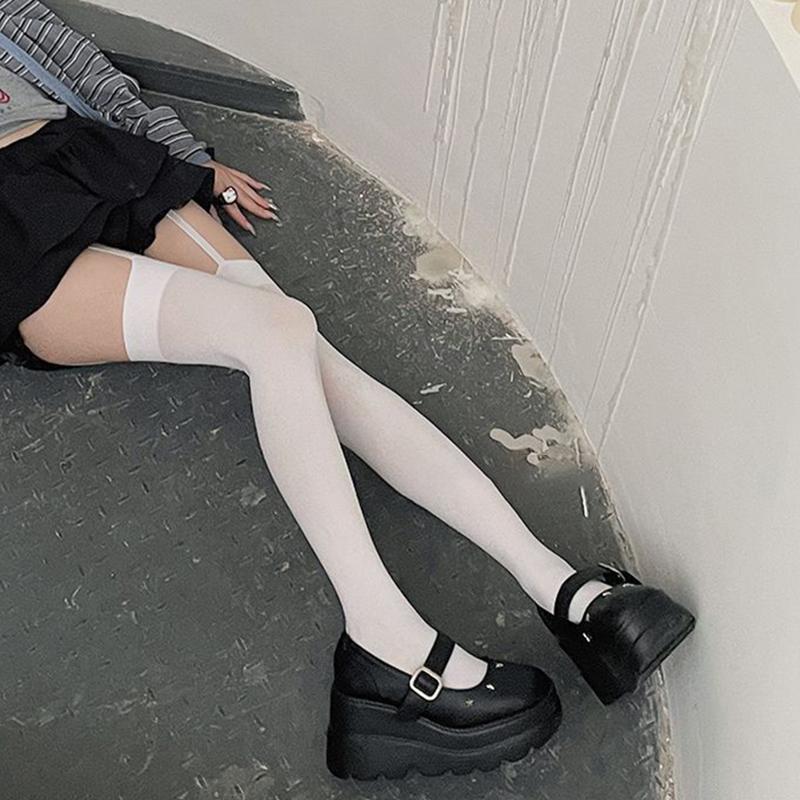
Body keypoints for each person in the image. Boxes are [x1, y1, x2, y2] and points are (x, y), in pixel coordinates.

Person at [0, 0, 696, 781]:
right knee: (276, 331)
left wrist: (180, 156)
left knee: (305, 353)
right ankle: (383, 642)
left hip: (87, 161)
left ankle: (557, 586)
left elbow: (65, 54)